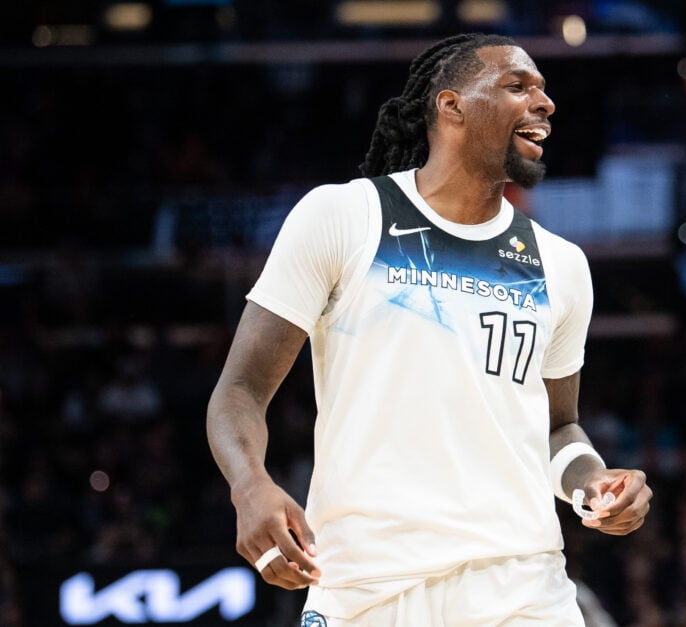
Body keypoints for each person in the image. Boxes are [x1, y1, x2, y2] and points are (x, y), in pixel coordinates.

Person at [207, 32, 653, 626]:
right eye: (519, 86)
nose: (544, 104)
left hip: (521, 589)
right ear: (452, 106)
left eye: (545, 92)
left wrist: (592, 483)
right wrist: (250, 485)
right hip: (366, 588)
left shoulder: (561, 265)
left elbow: (556, 427)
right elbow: (240, 391)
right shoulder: (345, 216)